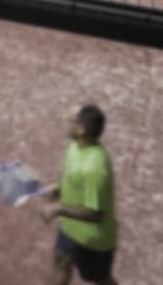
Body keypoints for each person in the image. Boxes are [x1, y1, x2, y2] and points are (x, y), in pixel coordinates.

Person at [39, 104, 119, 285]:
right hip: (70, 227)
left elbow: (95, 213)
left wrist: (58, 208)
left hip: (94, 239)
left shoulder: (95, 168)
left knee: (100, 279)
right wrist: (59, 189)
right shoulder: (76, 145)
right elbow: (75, 179)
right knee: (60, 263)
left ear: (81, 130)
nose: (66, 122)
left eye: (71, 120)